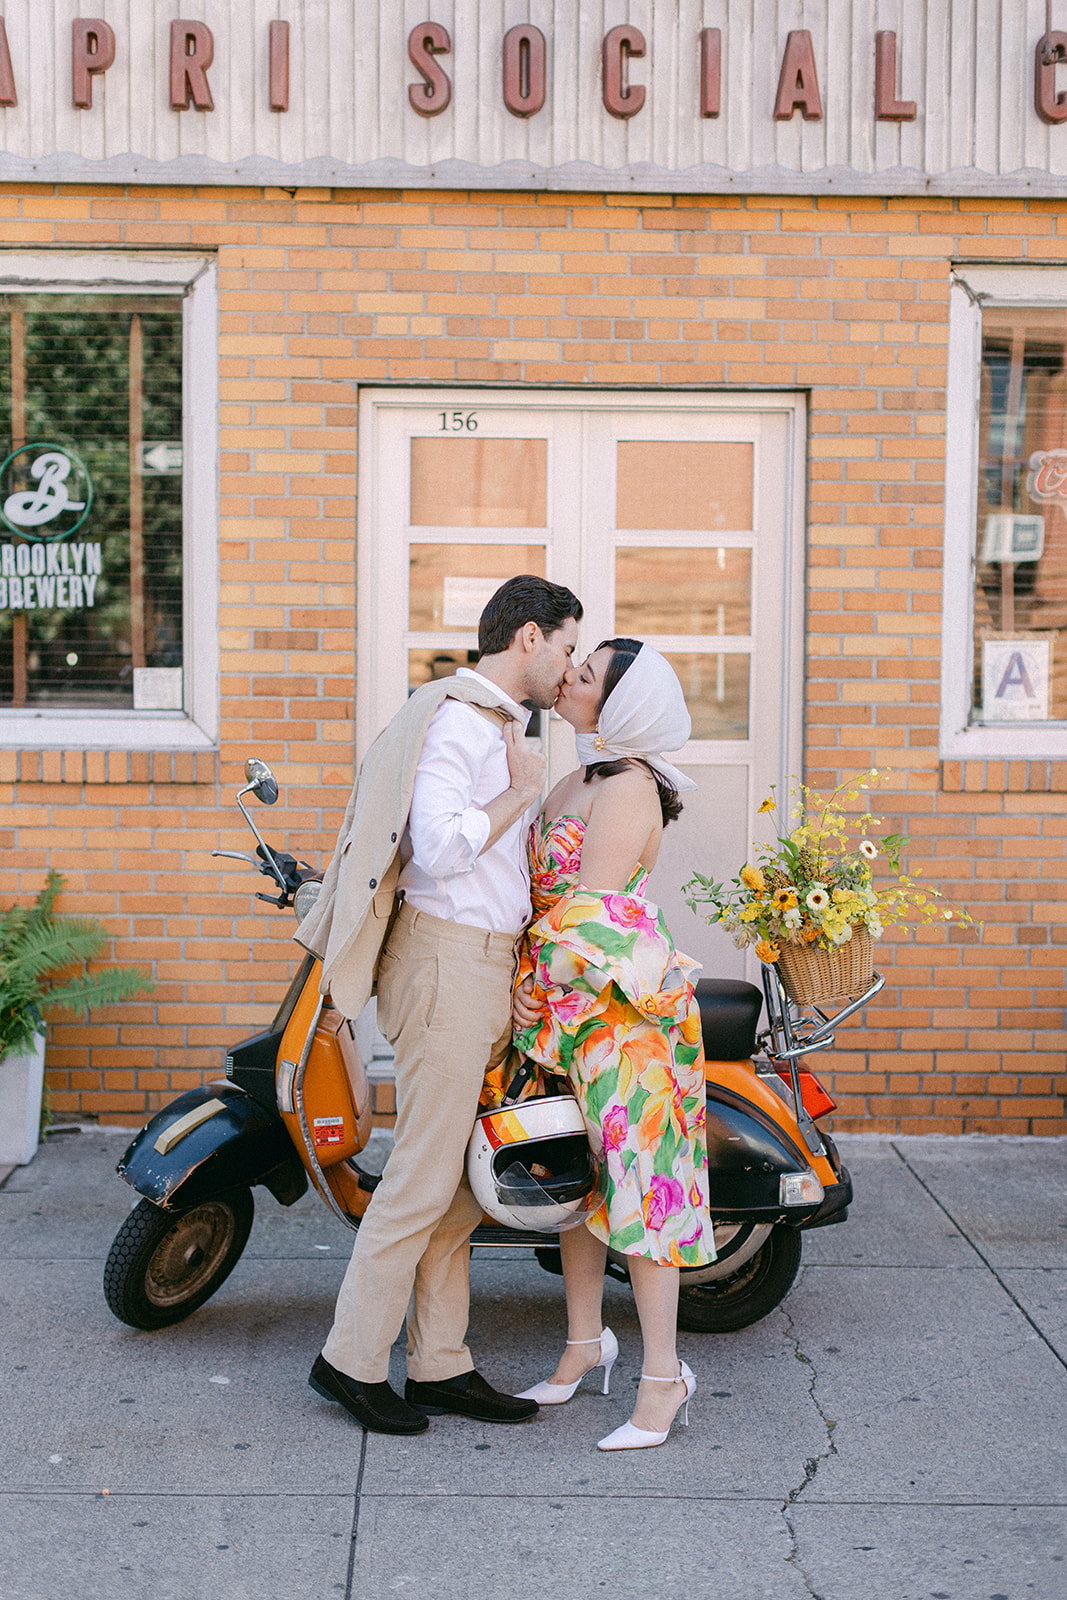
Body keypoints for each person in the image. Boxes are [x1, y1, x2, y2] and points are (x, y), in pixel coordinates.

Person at [297, 575, 582, 1436]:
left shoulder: (497, 726)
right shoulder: (461, 721)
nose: (570, 666)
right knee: (421, 1177)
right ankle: (348, 1362)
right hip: (446, 964)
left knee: (461, 1185)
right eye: (567, 646)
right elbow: (441, 846)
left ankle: (439, 1363)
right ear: (527, 638)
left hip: (483, 967)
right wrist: (519, 793)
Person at [485, 638, 714, 1452]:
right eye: (574, 669)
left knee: (642, 1191)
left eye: (586, 677)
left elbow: (593, 916)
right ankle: (585, 1345)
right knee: (576, 1187)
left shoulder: (630, 788)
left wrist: (526, 982)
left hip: (619, 1018)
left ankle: (663, 1380)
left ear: (617, 706)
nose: (569, 678)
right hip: (563, 1010)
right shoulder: (577, 776)